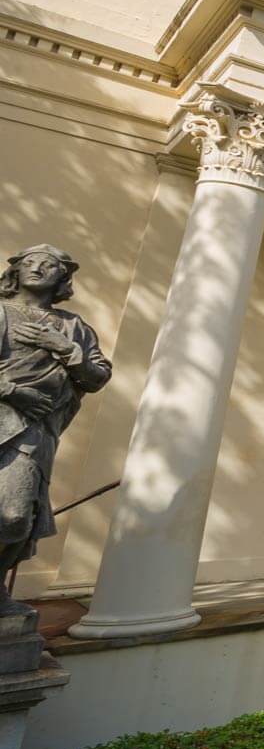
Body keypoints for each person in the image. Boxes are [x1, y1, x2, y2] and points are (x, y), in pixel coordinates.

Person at [0, 245, 111, 610]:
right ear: (15, 271)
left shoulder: (72, 327)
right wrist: (16, 392)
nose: (38, 268)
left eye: (49, 265)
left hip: (35, 430)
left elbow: (97, 377)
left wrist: (65, 349)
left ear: (62, 277)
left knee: (17, 517)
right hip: (7, 413)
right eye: (30, 262)